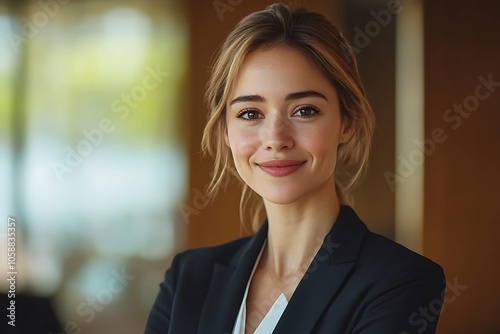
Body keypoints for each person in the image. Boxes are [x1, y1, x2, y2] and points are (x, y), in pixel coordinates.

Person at [145, 3, 445, 334]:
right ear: (224, 131)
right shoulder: (187, 279)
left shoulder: (400, 282)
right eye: (250, 113)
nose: (275, 139)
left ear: (347, 122)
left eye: (304, 110)